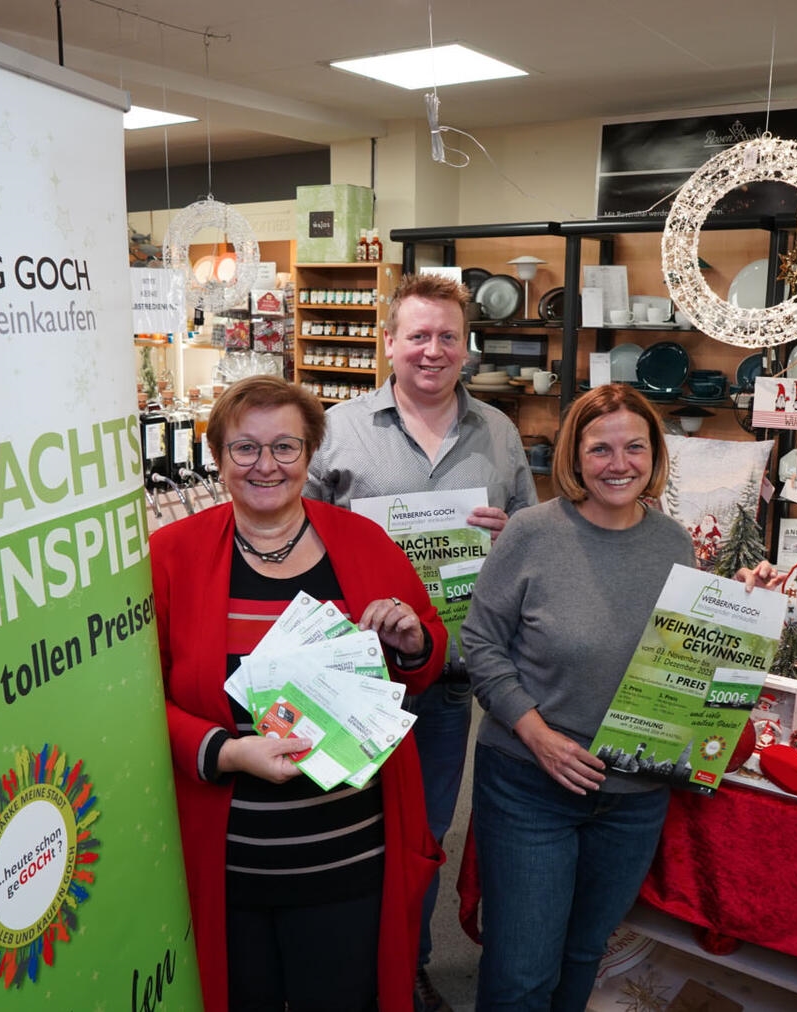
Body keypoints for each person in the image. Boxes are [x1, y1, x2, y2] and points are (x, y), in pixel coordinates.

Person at [462, 383, 780, 1011]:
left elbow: (681, 659)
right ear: (575, 458)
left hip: (634, 794)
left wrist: (743, 606)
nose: (618, 463)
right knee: (522, 969)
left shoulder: (672, 543)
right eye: (600, 448)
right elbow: (482, 645)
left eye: (634, 446)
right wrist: (537, 733)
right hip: (531, 784)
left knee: (586, 952)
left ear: (654, 454)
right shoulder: (531, 532)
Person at [150, 375, 448, 1012]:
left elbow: (424, 658)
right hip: (229, 864)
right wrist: (226, 753)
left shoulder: (362, 542)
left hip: (350, 856)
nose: (266, 466)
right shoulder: (171, 554)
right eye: (245, 448)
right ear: (218, 457)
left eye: (286, 447)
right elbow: (142, 699)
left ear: (311, 454)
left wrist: (413, 639)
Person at [305, 272, 536, 1012]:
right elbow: (293, 536)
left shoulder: (498, 433)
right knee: (339, 820)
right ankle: (338, 965)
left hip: (447, 678)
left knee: (422, 833)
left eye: (447, 337)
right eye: (417, 336)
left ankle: (408, 962)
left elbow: (536, 538)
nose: (432, 351)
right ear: (389, 343)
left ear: (466, 348)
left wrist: (513, 538)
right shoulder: (337, 428)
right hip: (353, 672)